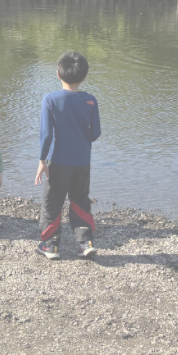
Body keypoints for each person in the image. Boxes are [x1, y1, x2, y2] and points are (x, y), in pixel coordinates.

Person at [35, 52, 101, 260]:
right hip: (82, 161)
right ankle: (85, 243)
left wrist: (42, 160)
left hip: (58, 161)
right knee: (80, 200)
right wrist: (81, 139)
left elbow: (46, 135)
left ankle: (50, 245)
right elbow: (96, 133)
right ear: (84, 76)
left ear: (58, 74)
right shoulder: (90, 100)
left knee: (52, 201)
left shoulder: (50, 99)